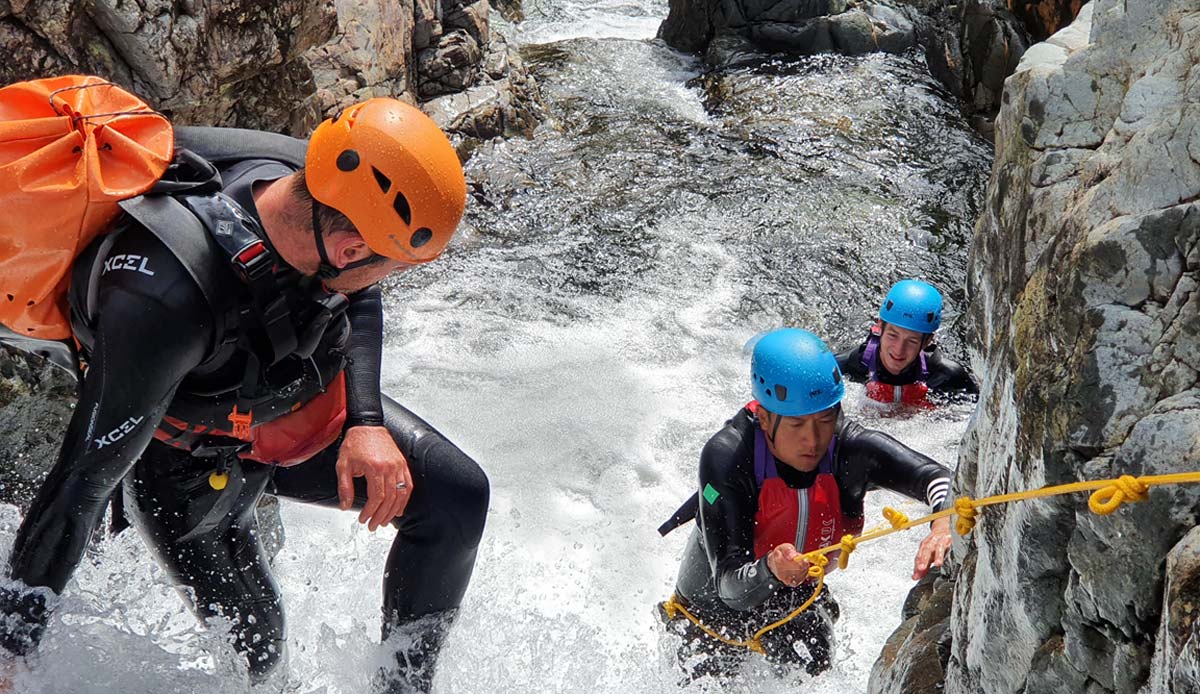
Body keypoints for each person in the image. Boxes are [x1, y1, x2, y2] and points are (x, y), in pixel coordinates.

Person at [0, 98, 488, 693]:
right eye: (391, 267)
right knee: (262, 652)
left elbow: (355, 294)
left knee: (457, 498)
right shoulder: (166, 304)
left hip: (284, 402)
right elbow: (79, 483)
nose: (385, 280)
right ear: (351, 251)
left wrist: (365, 420)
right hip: (183, 465)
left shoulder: (305, 181)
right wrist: (13, 650)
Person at [659, 328, 953, 679]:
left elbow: (936, 477)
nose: (813, 440)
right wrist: (771, 568)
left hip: (791, 600)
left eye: (825, 419)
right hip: (710, 615)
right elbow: (729, 586)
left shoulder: (849, 448)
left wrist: (943, 522)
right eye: (797, 424)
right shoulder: (728, 457)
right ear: (765, 418)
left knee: (817, 664)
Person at [835, 279, 976, 407]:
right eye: (892, 336)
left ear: (927, 341)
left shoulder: (946, 377)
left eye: (912, 341)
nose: (899, 350)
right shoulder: (848, 366)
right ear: (879, 327)